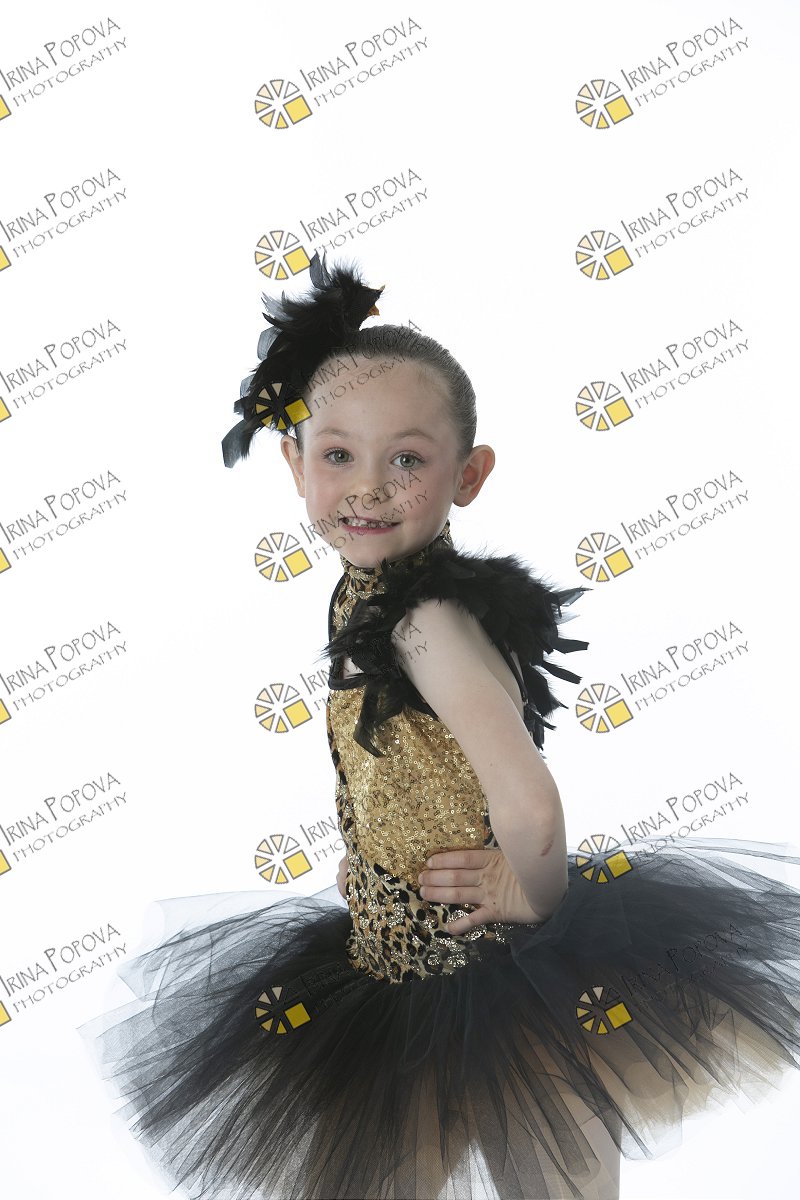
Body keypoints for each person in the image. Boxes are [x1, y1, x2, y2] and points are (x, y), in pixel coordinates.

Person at [78, 251, 800, 1200]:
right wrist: (375, 860)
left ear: (469, 475)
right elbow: (399, 764)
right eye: (339, 455)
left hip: (494, 967)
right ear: (294, 462)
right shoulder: (367, 594)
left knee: (548, 1176)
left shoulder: (426, 621)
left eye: (408, 461)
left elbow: (528, 801)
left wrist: (534, 894)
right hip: (393, 958)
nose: (369, 488)